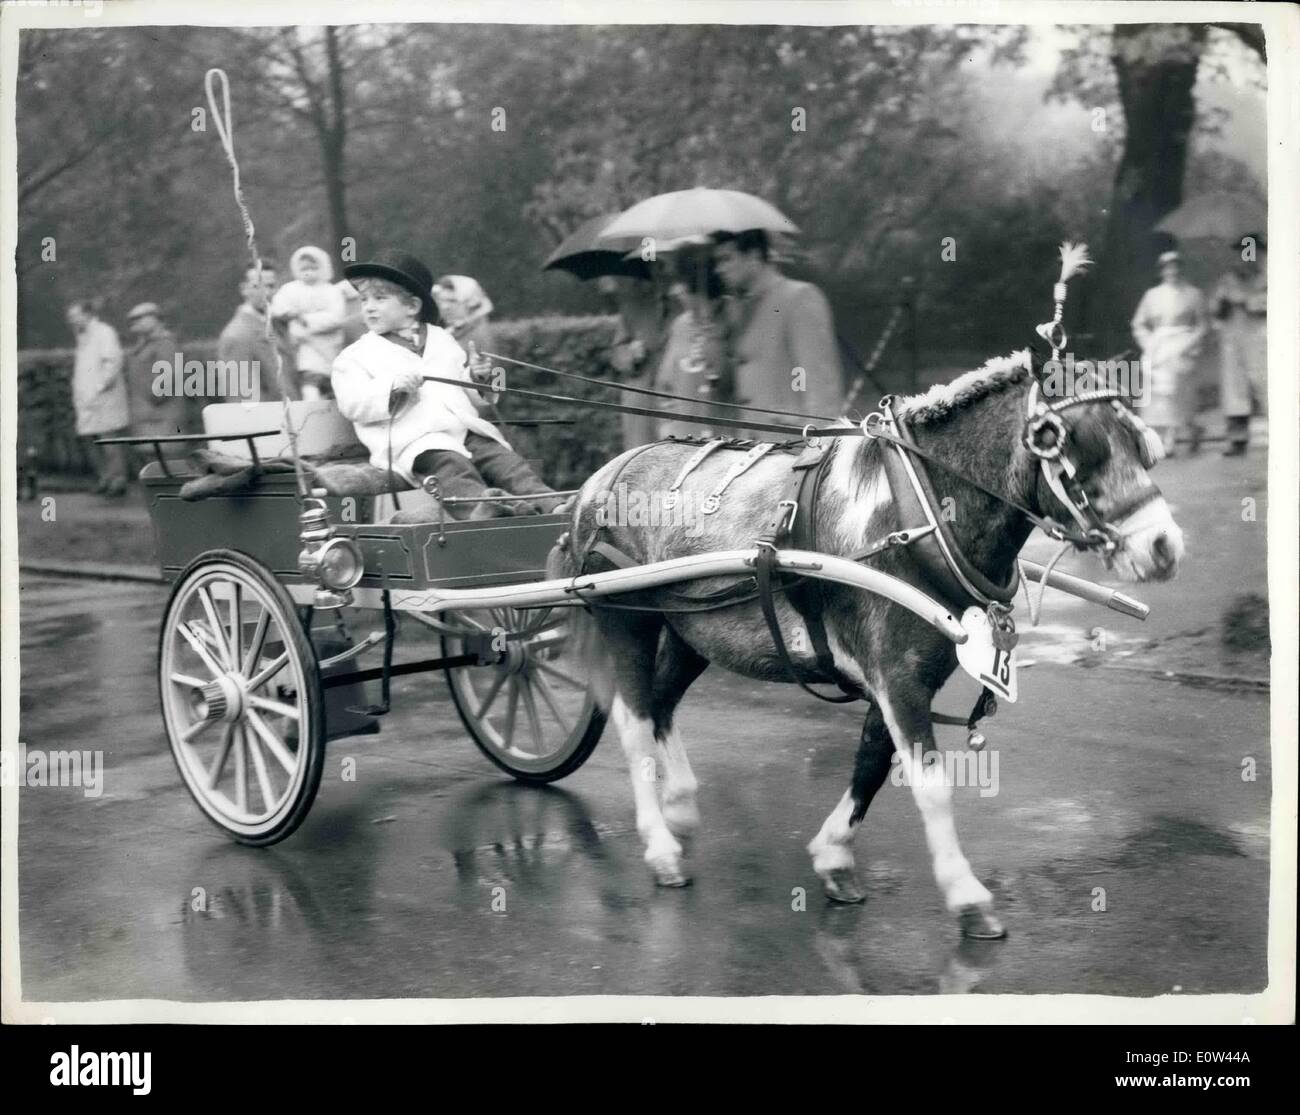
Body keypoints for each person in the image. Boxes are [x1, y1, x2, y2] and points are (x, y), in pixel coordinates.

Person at [331, 249, 564, 520]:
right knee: (452, 467)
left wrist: (477, 377)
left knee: (504, 460)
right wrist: (392, 387)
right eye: (364, 300)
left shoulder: (441, 339)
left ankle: (551, 505)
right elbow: (352, 403)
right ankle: (486, 513)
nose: (368, 306)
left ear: (412, 307)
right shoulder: (354, 357)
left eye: (380, 298)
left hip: (463, 429)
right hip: (417, 441)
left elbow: (461, 387)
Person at [712, 228, 844, 438]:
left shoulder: (799, 298)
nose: (719, 269)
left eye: (726, 259)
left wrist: (819, 450)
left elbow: (820, 387)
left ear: (754, 257)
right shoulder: (738, 310)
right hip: (750, 453)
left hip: (791, 449)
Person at [1130, 250, 1208, 457]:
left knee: (1176, 391)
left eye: (1175, 267)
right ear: (1161, 271)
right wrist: (1148, 343)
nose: (1171, 272)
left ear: (1181, 269)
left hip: (1182, 346)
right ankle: (1166, 436)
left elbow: (1202, 326)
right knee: (1157, 391)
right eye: (1167, 268)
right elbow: (1139, 324)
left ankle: (1175, 436)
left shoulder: (1193, 294)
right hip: (1157, 347)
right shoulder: (1152, 295)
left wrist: (1187, 344)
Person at [654, 246, 732, 440]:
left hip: (729, 446)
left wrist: (712, 337)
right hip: (682, 444)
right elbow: (664, 385)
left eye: (680, 283)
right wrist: (668, 427)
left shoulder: (736, 316)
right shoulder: (680, 325)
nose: (674, 291)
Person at [599, 273, 671, 449]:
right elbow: (617, 352)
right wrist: (630, 354)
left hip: (676, 397)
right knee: (641, 459)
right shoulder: (633, 306)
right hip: (642, 397)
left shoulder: (686, 303)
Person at [67, 299, 130, 497]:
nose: (73, 321)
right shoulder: (82, 337)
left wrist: (99, 387)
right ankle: (104, 478)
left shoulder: (104, 332)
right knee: (91, 441)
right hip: (86, 401)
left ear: (88, 314)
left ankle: (117, 480)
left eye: (76, 317)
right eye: (71, 318)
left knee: (109, 441)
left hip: (104, 398)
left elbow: (112, 362)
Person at [1212, 235, 1267, 456]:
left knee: (1263, 384)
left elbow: (1268, 303)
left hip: (1258, 337)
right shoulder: (1228, 279)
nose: (1246, 257)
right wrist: (1222, 301)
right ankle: (1237, 439)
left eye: (1251, 251)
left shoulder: (1265, 278)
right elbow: (1215, 309)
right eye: (1242, 251)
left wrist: (1244, 299)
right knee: (1235, 389)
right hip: (1233, 339)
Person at [269, 246, 347, 399]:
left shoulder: (331, 291)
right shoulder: (290, 289)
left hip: (329, 343)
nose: (308, 272)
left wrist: (306, 320)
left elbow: (336, 317)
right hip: (303, 346)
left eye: (313, 267)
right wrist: (290, 314)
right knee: (309, 384)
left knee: (334, 383)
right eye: (304, 268)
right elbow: (278, 308)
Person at [124, 302, 187, 467]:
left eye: (140, 318)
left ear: (157, 319)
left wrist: (151, 401)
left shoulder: (165, 344)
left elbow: (167, 382)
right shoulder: (145, 345)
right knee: (152, 471)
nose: (134, 322)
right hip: (148, 420)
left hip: (161, 420)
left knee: (167, 471)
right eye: (132, 319)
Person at [218, 261, 291, 401]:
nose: (267, 293)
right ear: (244, 289)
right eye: (258, 286)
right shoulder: (237, 336)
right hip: (271, 421)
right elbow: (243, 400)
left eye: (271, 286)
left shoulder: (278, 324)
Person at [433, 274, 495, 358]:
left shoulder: (476, 338)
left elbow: (487, 306)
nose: (445, 306)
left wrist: (466, 321)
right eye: (441, 300)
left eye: (452, 301)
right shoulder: (439, 333)